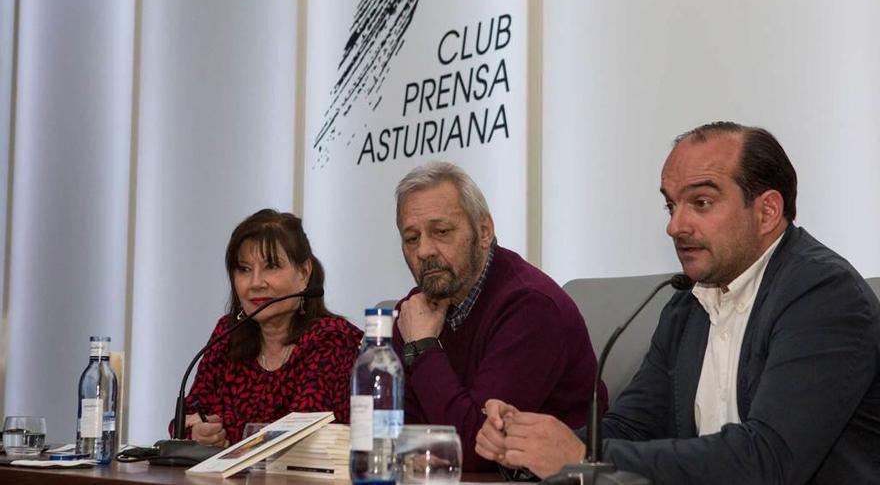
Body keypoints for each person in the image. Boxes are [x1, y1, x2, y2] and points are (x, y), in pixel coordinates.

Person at [476, 122, 880, 484]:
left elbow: (769, 460)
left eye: (700, 203)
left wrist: (583, 457)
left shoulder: (822, 295)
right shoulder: (688, 305)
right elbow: (632, 427)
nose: (674, 226)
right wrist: (528, 448)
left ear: (767, 211)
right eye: (671, 205)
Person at [391, 161, 604, 472]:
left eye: (441, 232)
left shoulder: (530, 306)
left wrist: (424, 347)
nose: (424, 251)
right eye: (411, 238)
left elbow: (476, 449)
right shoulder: (415, 309)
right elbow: (392, 433)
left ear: (484, 231)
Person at [174, 209, 363, 446]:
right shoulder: (228, 334)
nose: (255, 283)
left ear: (304, 273)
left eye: (271, 266)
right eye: (244, 269)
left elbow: (297, 435)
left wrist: (231, 436)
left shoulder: (331, 339)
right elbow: (184, 419)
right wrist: (198, 432)